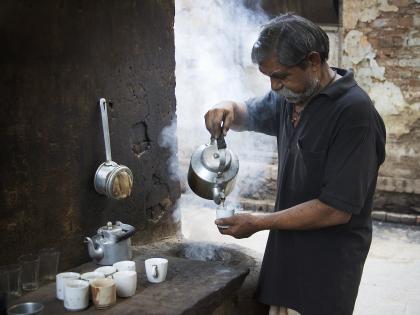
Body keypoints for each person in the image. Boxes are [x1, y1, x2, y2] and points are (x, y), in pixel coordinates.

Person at [204, 14, 386, 315]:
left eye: (281, 76)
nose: (274, 86)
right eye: (269, 78)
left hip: (326, 268)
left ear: (313, 61)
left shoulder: (355, 115)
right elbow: (248, 112)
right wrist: (228, 108)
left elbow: (335, 209)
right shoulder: (291, 96)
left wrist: (258, 222)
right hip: (285, 257)